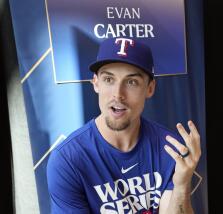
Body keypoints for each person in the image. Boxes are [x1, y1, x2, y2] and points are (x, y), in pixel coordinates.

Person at [47, 37, 202, 214]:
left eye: (131, 82)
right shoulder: (68, 160)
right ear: (96, 83)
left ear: (150, 88)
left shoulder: (169, 148)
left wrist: (182, 185)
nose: (118, 95)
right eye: (108, 79)